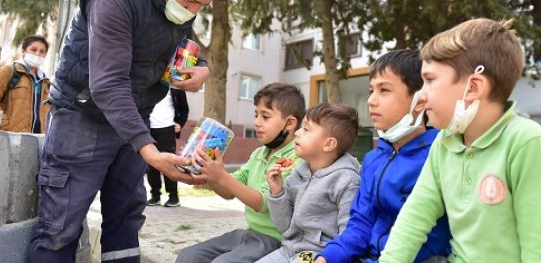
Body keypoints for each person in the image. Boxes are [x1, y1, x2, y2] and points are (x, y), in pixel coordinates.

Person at [27, 0, 228, 261]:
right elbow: (107, 84)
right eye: (189, 2)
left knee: (126, 219)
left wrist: (201, 66)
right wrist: (149, 151)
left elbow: (184, 41)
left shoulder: (181, 0)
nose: (191, 13)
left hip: (134, 115)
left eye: (200, 6)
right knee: (61, 225)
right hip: (83, 116)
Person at [379, 18, 541, 262]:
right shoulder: (445, 144)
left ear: (473, 87)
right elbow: (415, 216)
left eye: (429, 80)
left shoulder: (527, 143)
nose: (421, 95)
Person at [315, 50, 452, 263]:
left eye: (384, 90)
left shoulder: (440, 156)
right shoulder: (373, 159)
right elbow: (361, 223)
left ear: (419, 100)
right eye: (371, 90)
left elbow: (432, 238)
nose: (371, 100)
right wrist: (326, 257)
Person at [176, 82, 306, 263]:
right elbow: (228, 192)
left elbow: (262, 202)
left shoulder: (297, 158)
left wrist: (221, 176)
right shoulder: (259, 154)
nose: (257, 122)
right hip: (249, 234)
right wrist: (210, 174)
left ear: (290, 123)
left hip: (276, 240)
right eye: (256, 115)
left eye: (265, 116)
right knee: (187, 257)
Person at [257, 103, 361, 263]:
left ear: (328, 144)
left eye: (306, 129)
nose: (297, 133)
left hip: (319, 255)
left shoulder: (346, 181)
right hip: (288, 250)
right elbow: (284, 226)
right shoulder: (298, 174)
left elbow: (348, 233)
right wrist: (277, 192)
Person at [0, 35, 51, 133]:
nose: (37, 54)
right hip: (10, 138)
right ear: (23, 51)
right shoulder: (9, 71)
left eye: (42, 51)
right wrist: (5, 125)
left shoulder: (45, 82)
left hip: (39, 141)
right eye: (33, 49)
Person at [146, 89, 189, 208]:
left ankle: (173, 197)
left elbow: (184, 109)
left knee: (169, 163)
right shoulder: (149, 83)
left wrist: (180, 124)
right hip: (148, 129)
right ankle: (155, 196)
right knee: (151, 164)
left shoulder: (175, 87)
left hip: (167, 129)